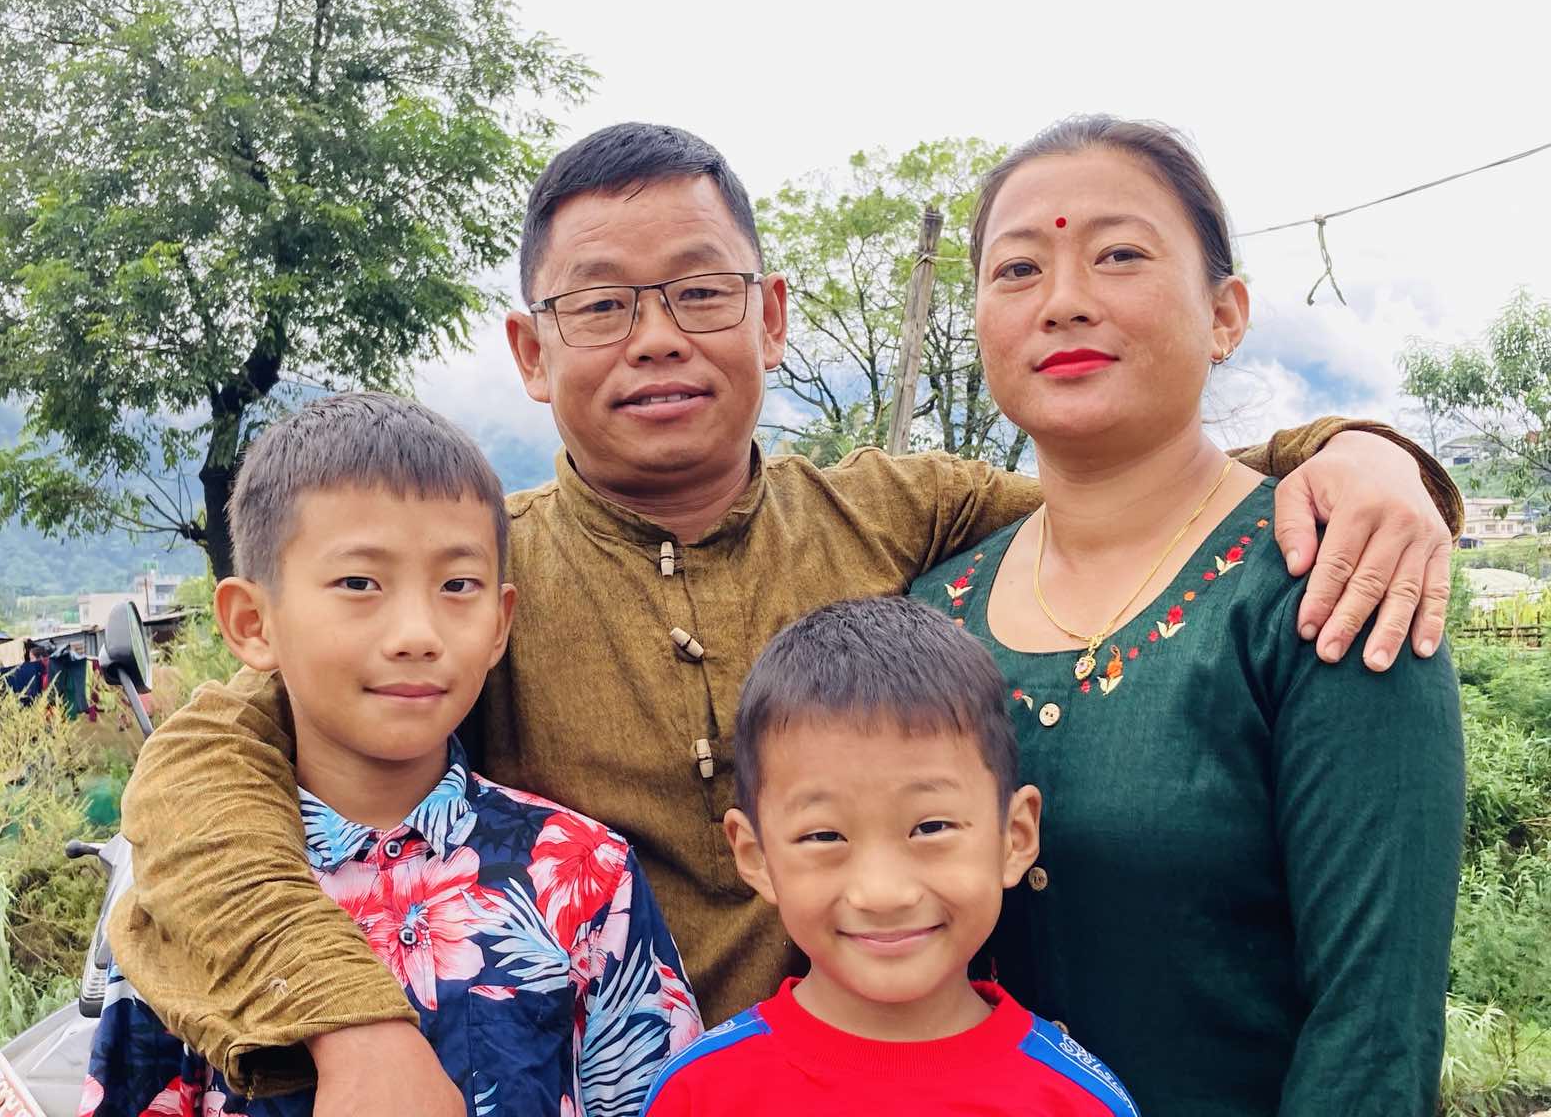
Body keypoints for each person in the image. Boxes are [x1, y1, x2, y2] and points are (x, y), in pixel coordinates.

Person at [107, 124, 1462, 1115]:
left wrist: (1353, 455)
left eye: (700, 293)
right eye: (600, 304)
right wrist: (350, 1025)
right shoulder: (467, 582)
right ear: (529, 350)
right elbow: (206, 764)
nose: (657, 337)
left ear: (770, 316)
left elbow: (1125, 485)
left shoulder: (902, 520)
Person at [910, 115, 1465, 1116]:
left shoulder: (1328, 583)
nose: (1063, 301)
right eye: (1018, 270)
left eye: (1119, 255)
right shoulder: (931, 616)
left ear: (1225, 315)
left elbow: (1374, 1032)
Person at [80, 393, 700, 1117]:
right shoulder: (191, 893)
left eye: (457, 586)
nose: (416, 634)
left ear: (500, 624)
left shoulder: (586, 876)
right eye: (359, 584)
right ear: (253, 622)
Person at [643, 597, 1138, 1117]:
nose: (883, 893)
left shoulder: (1076, 1101)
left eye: (931, 827)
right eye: (825, 836)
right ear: (755, 855)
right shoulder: (699, 1095)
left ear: (1013, 837)